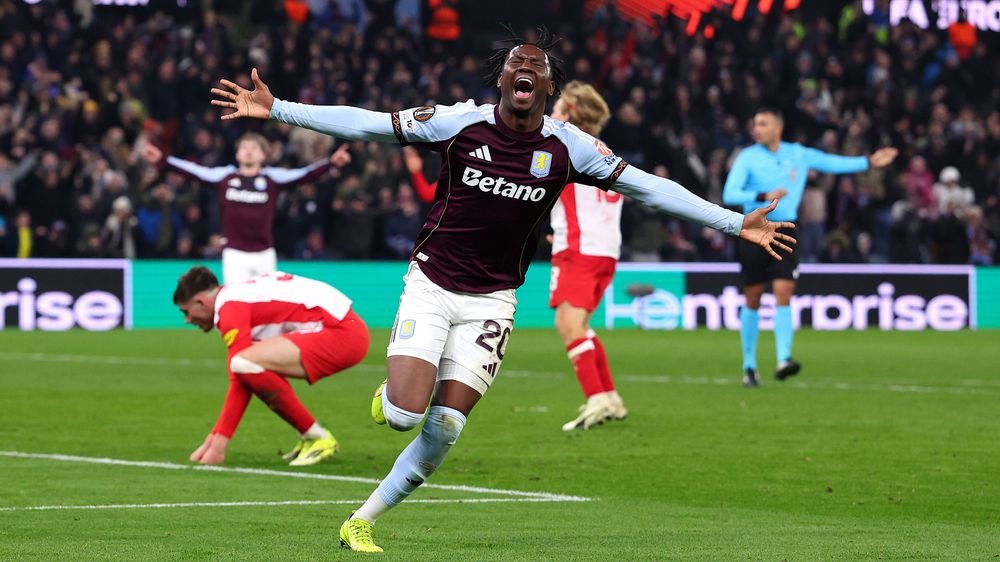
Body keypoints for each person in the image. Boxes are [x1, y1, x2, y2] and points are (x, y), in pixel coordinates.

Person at [210, 28, 795, 553]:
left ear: (547, 86)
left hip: (492, 300)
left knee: (445, 427)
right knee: (402, 415)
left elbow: (650, 188)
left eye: (536, 66)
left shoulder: (571, 148)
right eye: (517, 62)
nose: (526, 69)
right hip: (433, 283)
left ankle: (361, 520)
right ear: (503, 78)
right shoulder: (459, 122)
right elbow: (370, 123)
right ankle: (392, 395)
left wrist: (732, 221)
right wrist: (280, 109)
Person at [722, 107, 898, 387]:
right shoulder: (747, 157)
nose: (756, 128)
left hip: (787, 229)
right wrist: (761, 195)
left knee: (783, 291)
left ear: (777, 128)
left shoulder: (798, 154)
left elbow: (833, 163)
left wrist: (869, 162)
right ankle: (749, 366)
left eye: (763, 123)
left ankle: (783, 359)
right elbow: (729, 193)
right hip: (753, 230)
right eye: (755, 123)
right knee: (753, 296)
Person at [173, 266, 370, 466]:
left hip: (342, 334)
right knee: (246, 363)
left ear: (201, 302)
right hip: (345, 327)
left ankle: (317, 436)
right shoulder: (235, 295)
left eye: (186, 312)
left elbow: (239, 374)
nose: (187, 320)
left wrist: (219, 443)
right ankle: (311, 436)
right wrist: (214, 437)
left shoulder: (230, 306)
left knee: (243, 363)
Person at [142, 135, 351, 282]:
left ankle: (264, 346)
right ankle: (242, 347)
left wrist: (331, 163)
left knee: (265, 306)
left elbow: (305, 174)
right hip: (234, 254)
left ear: (263, 155)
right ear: (237, 154)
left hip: (264, 254)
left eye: (254, 148)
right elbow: (194, 171)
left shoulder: (271, 178)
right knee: (238, 305)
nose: (249, 151)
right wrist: (162, 160)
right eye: (245, 148)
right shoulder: (226, 177)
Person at [546, 80, 626, 431]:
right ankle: (609, 396)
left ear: (571, 113)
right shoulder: (603, 150)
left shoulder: (564, 143)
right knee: (581, 326)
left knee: (568, 324)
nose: (552, 111)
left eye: (559, 105)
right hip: (604, 250)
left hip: (580, 248)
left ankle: (595, 398)